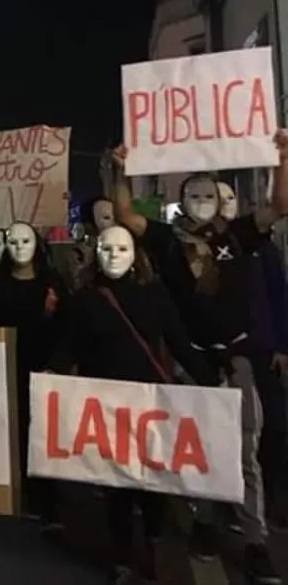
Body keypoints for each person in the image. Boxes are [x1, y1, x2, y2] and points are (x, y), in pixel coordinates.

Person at [110, 135, 288, 584]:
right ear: (182, 201)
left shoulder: (240, 234)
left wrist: (282, 158)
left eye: (210, 195)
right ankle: (206, 524)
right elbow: (126, 217)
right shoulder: (169, 242)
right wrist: (121, 172)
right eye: (194, 195)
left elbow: (280, 204)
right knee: (200, 447)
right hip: (191, 363)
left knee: (246, 448)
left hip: (236, 359)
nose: (203, 202)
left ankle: (254, 539)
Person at [50, 225, 219, 582]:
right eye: (106, 248)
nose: (113, 256)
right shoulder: (84, 300)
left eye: (121, 249)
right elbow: (69, 348)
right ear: (97, 253)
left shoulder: (154, 295)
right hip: (108, 406)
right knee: (118, 485)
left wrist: (211, 381)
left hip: (149, 401)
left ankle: (153, 540)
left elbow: (178, 343)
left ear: (135, 254)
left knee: (152, 479)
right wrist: (51, 377)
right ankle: (125, 555)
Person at [0, 221, 65, 531]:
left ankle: (49, 499)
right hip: (8, 366)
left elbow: (67, 324)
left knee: (46, 432)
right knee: (17, 431)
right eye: (13, 241)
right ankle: (22, 492)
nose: (19, 247)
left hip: (45, 367)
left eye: (25, 241)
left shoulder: (52, 282)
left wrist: (59, 362)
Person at [217, 181, 288, 528]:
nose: (223, 203)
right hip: (230, 354)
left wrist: (281, 346)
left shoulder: (261, 246)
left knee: (274, 424)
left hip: (264, 350)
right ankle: (232, 505)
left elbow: (278, 295)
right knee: (234, 432)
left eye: (229, 196)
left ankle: (269, 497)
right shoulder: (204, 249)